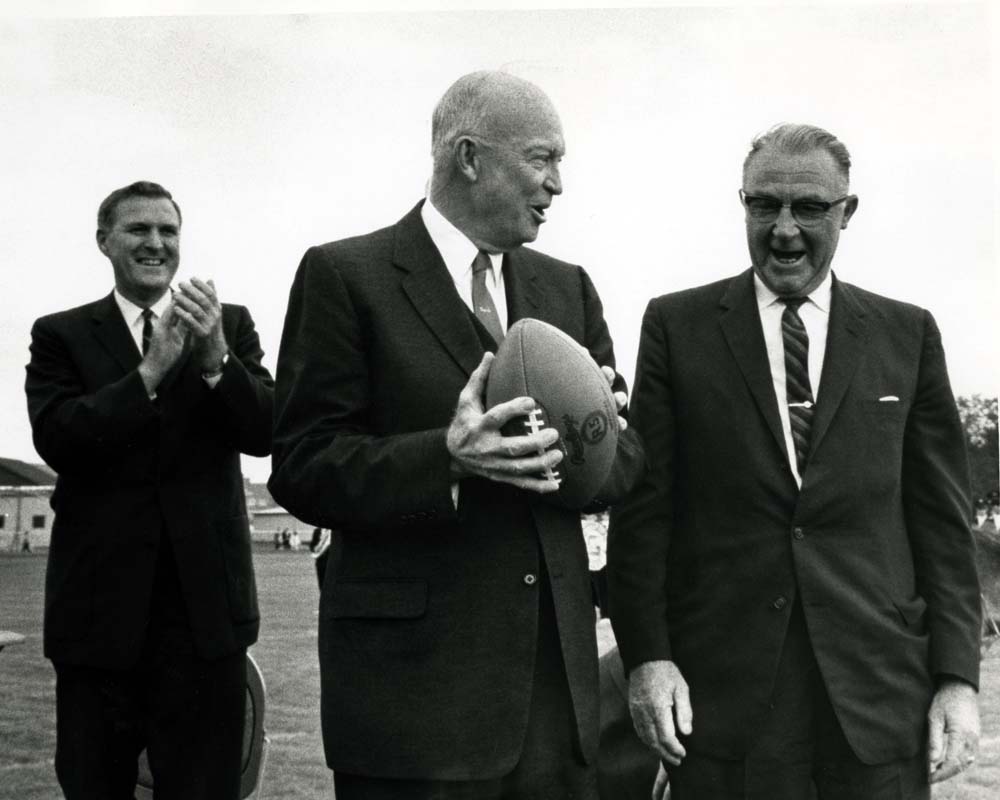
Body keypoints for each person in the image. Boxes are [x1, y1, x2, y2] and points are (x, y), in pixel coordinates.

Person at [269, 70, 643, 799]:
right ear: (470, 157)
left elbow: (623, 457)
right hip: (413, 702)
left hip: (553, 700)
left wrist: (603, 445)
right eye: (543, 158)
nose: (557, 183)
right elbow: (304, 465)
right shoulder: (346, 276)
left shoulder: (569, 288)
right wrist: (446, 459)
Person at [607, 123, 981, 800]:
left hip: (877, 698)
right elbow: (644, 515)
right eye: (764, 205)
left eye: (809, 208)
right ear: (742, 204)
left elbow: (943, 526)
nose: (783, 230)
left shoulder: (908, 334)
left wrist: (956, 679)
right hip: (725, 704)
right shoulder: (676, 327)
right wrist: (649, 658)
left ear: (848, 212)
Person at [25, 181, 274, 799]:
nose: (156, 243)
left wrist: (216, 361)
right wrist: (152, 371)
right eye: (139, 229)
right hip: (98, 619)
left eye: (168, 230)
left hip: (205, 619)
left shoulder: (229, 324)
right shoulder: (60, 335)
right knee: (95, 785)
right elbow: (60, 438)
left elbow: (267, 431)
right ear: (104, 240)